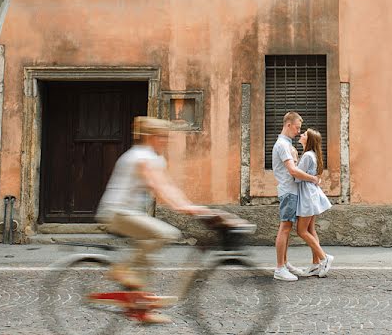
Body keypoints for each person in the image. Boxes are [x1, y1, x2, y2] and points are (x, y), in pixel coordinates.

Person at [96, 116, 238, 323]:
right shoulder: (141, 156)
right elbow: (159, 188)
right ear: (152, 137)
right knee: (166, 234)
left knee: (149, 260)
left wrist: (194, 208)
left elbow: (169, 187)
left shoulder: (153, 158)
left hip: (131, 213)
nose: (166, 141)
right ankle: (121, 270)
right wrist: (188, 209)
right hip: (118, 212)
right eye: (163, 137)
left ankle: (141, 309)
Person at [272, 111, 322, 281]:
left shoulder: (287, 145)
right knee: (285, 228)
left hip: (292, 191)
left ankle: (285, 264)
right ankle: (279, 268)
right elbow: (293, 172)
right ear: (288, 125)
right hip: (288, 191)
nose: (299, 131)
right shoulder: (282, 145)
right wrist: (314, 179)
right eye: (297, 127)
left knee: (288, 228)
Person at [293, 129, 333, 277]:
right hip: (311, 194)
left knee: (301, 231)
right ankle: (316, 264)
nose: (301, 135)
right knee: (310, 230)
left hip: (307, 196)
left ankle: (324, 257)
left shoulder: (307, 156)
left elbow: (297, 177)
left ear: (308, 140)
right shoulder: (313, 155)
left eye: (304, 134)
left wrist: (294, 165)